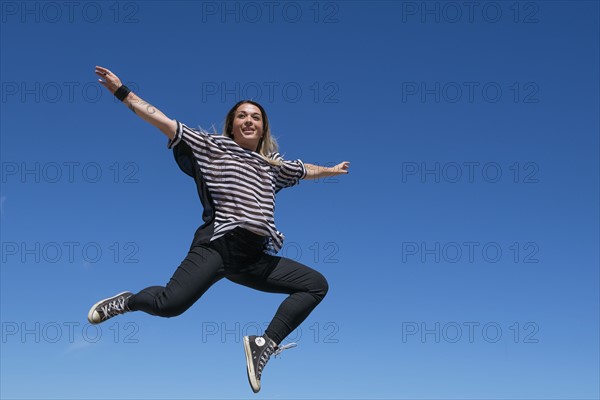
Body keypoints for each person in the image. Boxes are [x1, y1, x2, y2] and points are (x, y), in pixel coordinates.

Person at [87, 66, 350, 393]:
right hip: (216, 246)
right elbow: (163, 121)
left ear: (263, 127)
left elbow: (303, 170)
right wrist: (122, 92)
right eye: (242, 116)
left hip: (253, 258)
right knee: (169, 305)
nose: (249, 120)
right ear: (232, 125)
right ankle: (128, 301)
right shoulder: (212, 147)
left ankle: (263, 344)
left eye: (256, 116)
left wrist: (331, 171)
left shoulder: (273, 169)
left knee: (316, 285)